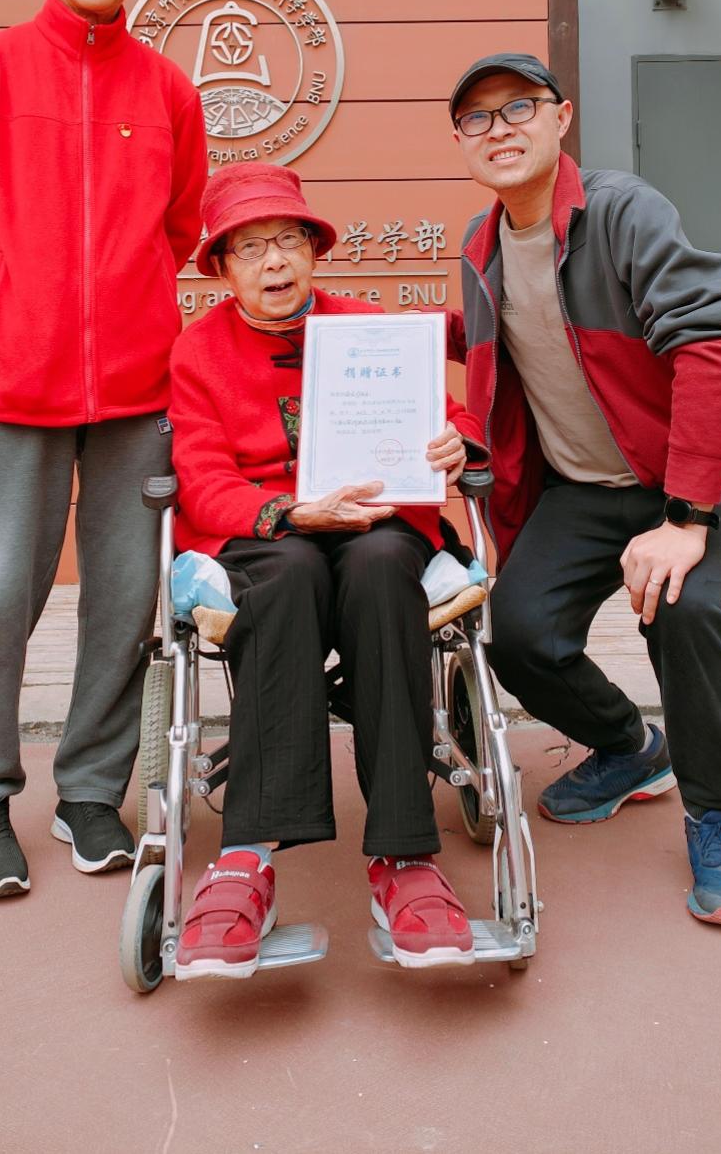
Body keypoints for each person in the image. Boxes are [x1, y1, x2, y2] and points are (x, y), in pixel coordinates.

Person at [0, 0, 208, 900]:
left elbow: (179, 225)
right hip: (10, 388)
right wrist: (2, 308)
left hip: (138, 391)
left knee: (124, 602)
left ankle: (90, 793)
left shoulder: (167, 90)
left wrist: (118, 307)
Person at [447, 52, 721, 927]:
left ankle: (716, 819)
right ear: (461, 141)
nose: (499, 130)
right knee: (517, 633)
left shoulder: (619, 211)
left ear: (560, 117)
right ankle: (630, 747)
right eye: (476, 118)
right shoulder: (480, 244)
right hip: (585, 488)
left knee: (683, 609)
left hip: (702, 480)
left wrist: (686, 517)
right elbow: (501, 341)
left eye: (518, 108)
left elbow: (713, 348)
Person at [167, 162, 487, 977]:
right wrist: (288, 511)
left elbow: (448, 415)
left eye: (287, 240)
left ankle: (404, 856)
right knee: (288, 574)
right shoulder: (198, 352)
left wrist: (454, 440)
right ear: (222, 267)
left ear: (313, 250)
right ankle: (246, 855)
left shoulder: (368, 325)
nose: (273, 261)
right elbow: (200, 478)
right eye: (249, 248)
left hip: (378, 520)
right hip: (270, 529)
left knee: (380, 569)